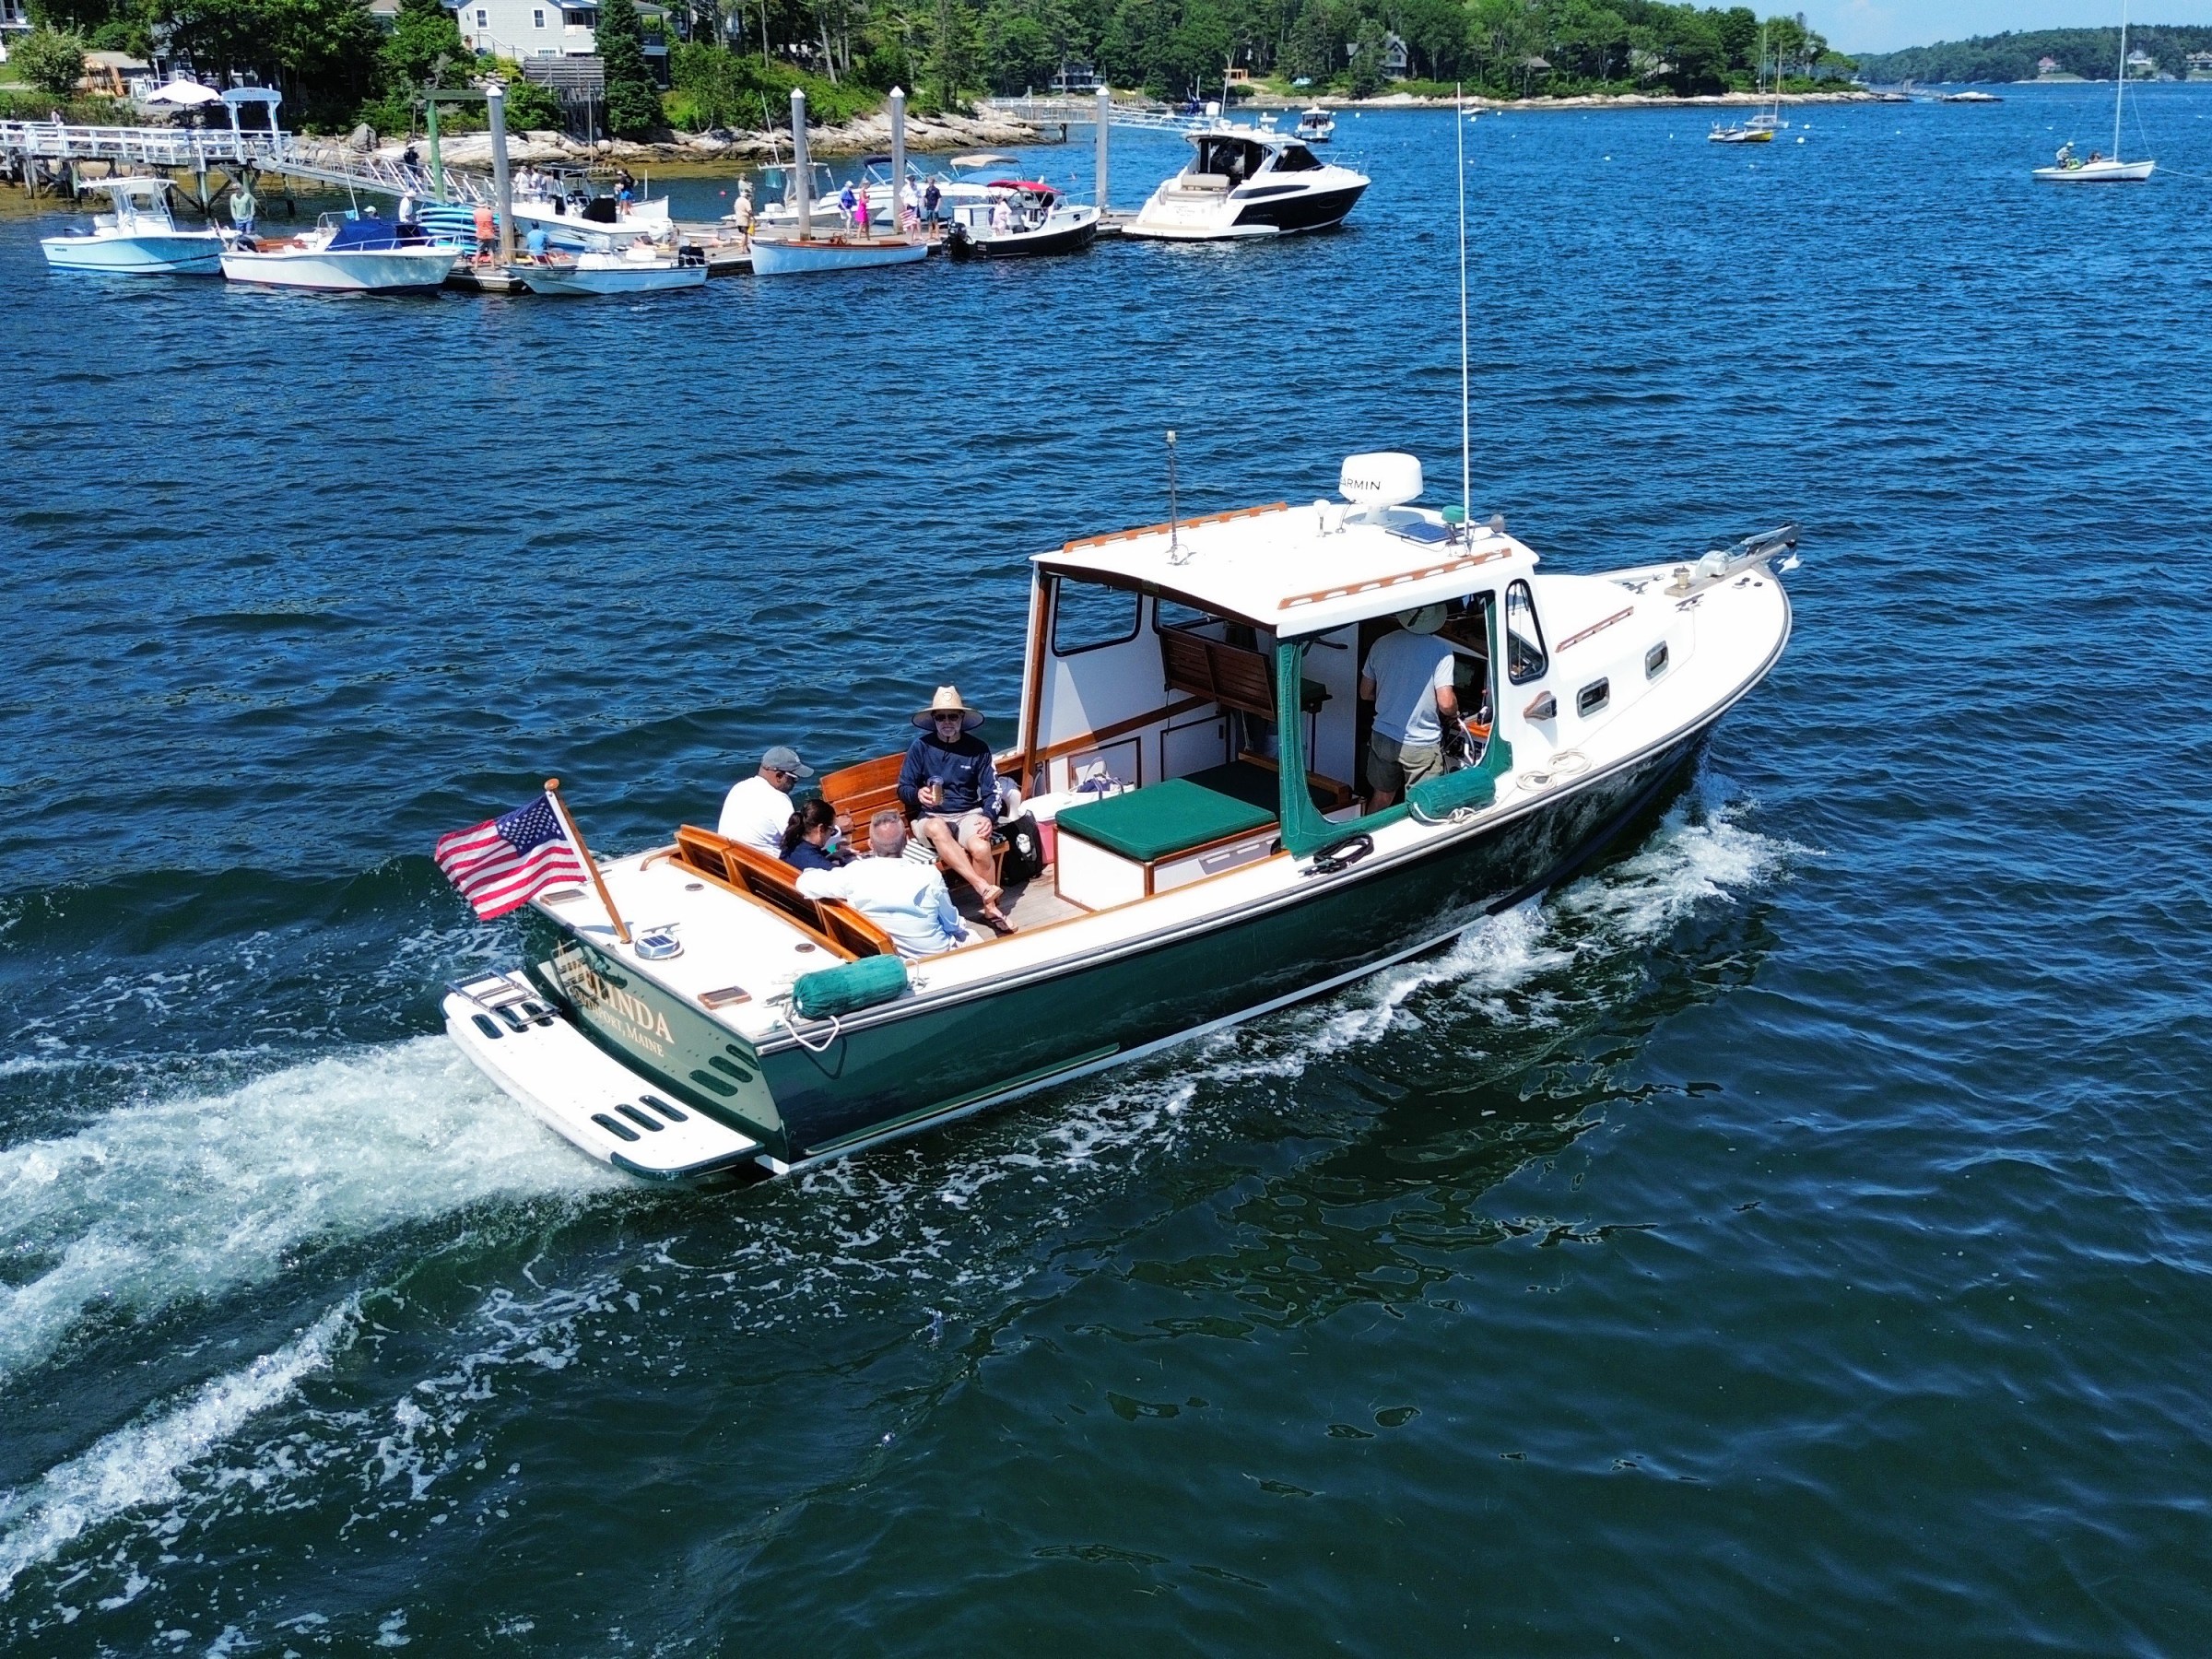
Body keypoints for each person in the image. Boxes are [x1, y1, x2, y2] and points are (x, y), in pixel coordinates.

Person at [898, 686, 1018, 934]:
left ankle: (990, 909)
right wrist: (917, 794)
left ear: (962, 718)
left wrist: (989, 815)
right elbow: (904, 788)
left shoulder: (978, 749)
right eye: (940, 717)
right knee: (936, 827)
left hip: (967, 813)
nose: (947, 722)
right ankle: (982, 887)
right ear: (933, 720)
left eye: (952, 716)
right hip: (931, 817)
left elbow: (992, 791)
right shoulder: (920, 747)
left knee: (981, 846)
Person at [795, 809, 967, 958]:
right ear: (906, 841)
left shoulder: (855, 874)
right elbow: (952, 924)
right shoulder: (929, 875)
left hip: (888, 958)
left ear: (871, 844)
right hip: (937, 956)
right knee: (971, 936)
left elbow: (804, 883)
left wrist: (817, 870)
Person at [1359, 606, 1462, 810]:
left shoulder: (1382, 644)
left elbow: (1365, 693)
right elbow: (1446, 703)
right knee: (1421, 804)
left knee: (1381, 798)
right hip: (1421, 743)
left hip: (1383, 736)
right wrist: (1455, 713)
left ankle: (1370, 839)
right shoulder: (1442, 652)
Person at [718, 745, 814, 853]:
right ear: (779, 776)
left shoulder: (739, 788)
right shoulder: (778, 800)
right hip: (763, 866)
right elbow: (806, 844)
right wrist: (834, 831)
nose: (795, 784)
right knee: (832, 851)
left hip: (732, 860)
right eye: (794, 779)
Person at [778, 796, 848, 873]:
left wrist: (830, 854)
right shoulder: (823, 868)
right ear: (821, 829)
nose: (831, 834)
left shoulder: (791, 845)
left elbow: (808, 856)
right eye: (832, 831)